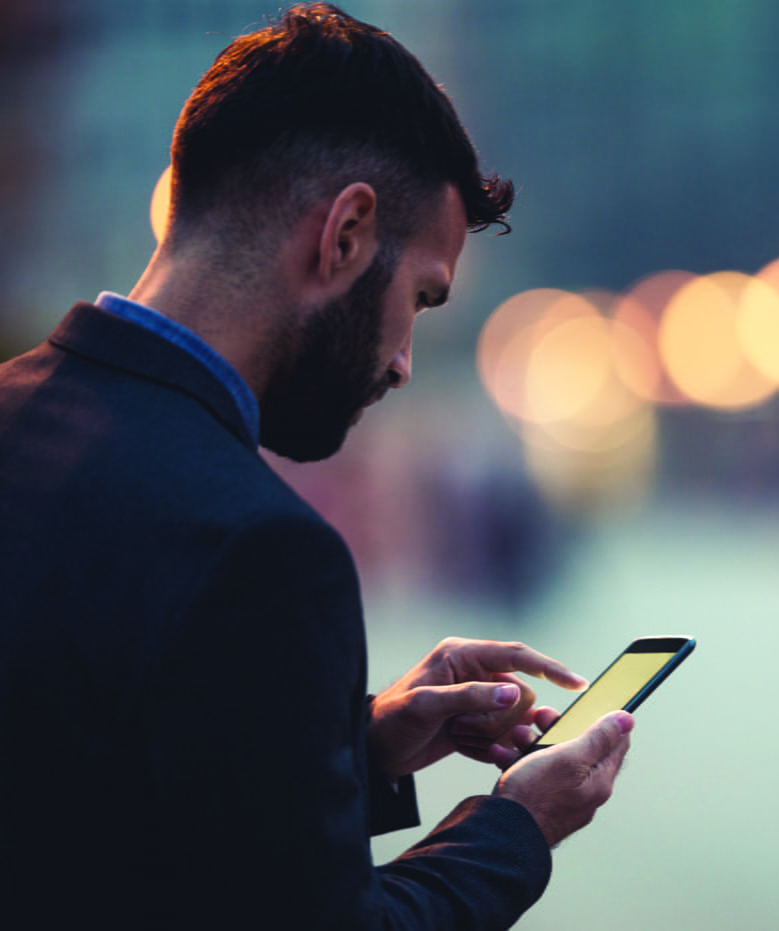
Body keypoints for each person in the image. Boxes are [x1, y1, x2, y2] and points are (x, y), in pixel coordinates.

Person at [0, 5, 632, 929]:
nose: (404, 361)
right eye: (420, 296)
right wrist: (516, 827)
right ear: (345, 235)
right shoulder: (259, 548)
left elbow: (82, 800)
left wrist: (352, 747)